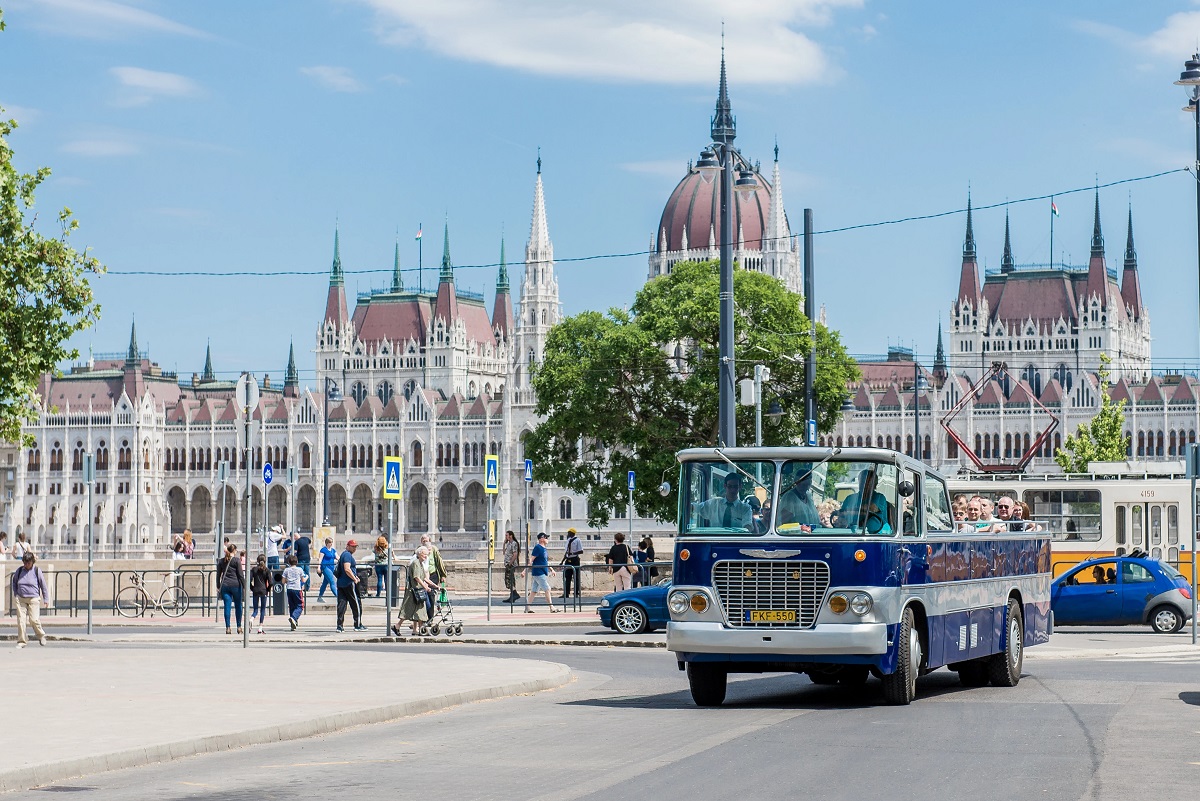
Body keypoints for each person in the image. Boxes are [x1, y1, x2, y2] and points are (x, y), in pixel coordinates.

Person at [393, 545, 435, 635]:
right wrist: (425, 587)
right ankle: (400, 626)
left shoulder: (420, 564)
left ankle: (416, 629)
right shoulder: (416, 563)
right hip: (414, 591)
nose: (426, 556)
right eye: (424, 554)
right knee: (409, 610)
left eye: (427, 555)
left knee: (418, 610)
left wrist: (434, 585)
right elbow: (417, 577)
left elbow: (424, 578)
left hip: (418, 591)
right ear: (419, 554)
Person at [10, 551, 49, 648]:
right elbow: (14, 582)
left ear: (32, 562)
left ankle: (41, 636)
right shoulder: (19, 570)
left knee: (34, 619)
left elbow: (43, 585)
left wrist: (46, 599)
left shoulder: (36, 570)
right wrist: (16, 593)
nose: (26, 564)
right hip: (21, 598)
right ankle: (22, 641)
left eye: (28, 562)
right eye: (25, 562)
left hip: (33, 598)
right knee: (21, 620)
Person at [523, 532, 558, 613]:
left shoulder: (544, 549)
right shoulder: (538, 548)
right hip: (538, 572)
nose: (547, 539)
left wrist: (551, 569)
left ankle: (527, 608)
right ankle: (551, 607)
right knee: (547, 589)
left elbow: (545, 562)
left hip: (541, 572)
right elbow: (531, 560)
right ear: (541, 539)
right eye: (546, 538)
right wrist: (524, 570)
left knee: (534, 591)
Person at [335, 539, 365, 632]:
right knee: (356, 603)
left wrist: (355, 576)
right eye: (352, 546)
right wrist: (354, 579)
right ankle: (358, 625)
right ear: (347, 546)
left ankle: (339, 626)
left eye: (355, 547)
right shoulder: (347, 555)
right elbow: (347, 569)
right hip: (349, 583)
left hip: (341, 583)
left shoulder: (344, 555)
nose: (354, 548)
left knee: (342, 604)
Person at [216, 544, 244, 635]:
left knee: (227, 607)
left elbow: (218, 575)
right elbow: (240, 575)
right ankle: (239, 627)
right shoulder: (237, 560)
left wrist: (218, 586)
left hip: (225, 585)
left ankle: (228, 627)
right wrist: (245, 586)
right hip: (236, 585)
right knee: (238, 606)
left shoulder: (221, 561)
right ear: (234, 550)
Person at [282, 555, 306, 630]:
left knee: (292, 605)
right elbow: (303, 580)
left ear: (289, 562)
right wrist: (306, 578)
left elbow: (283, 581)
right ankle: (294, 617)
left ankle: (293, 623)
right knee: (300, 606)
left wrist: (288, 580)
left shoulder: (286, 570)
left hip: (289, 589)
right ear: (297, 562)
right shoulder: (299, 570)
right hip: (297, 589)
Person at [249, 554, 271, 634]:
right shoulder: (267, 570)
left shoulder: (254, 569)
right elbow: (271, 582)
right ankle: (260, 628)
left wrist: (252, 588)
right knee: (262, 609)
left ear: (257, 561)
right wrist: (268, 589)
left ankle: (252, 618)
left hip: (255, 590)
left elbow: (249, 580)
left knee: (255, 609)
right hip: (263, 590)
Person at [561, 527, 583, 600]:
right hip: (568, 560)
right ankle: (566, 593)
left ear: (572, 533)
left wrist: (573, 553)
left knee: (576, 577)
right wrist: (562, 561)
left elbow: (581, 551)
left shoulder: (577, 540)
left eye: (569, 533)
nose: (568, 534)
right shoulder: (568, 540)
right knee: (567, 577)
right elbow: (566, 552)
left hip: (574, 559)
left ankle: (576, 593)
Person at [502, 530, 521, 604]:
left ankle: (515, 594)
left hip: (511, 565)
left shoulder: (514, 543)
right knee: (509, 580)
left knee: (509, 580)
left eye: (507, 535)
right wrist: (504, 543)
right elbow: (504, 552)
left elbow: (515, 554)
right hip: (507, 564)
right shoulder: (508, 544)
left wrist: (510, 563)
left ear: (511, 536)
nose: (506, 537)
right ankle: (512, 595)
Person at [317, 537, 338, 602]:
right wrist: (319, 567)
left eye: (331, 542)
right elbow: (320, 559)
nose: (331, 544)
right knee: (332, 581)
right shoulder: (323, 550)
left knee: (325, 583)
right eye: (329, 542)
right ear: (326, 543)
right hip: (325, 567)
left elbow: (337, 557)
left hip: (332, 567)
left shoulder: (333, 550)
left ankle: (320, 597)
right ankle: (338, 596)